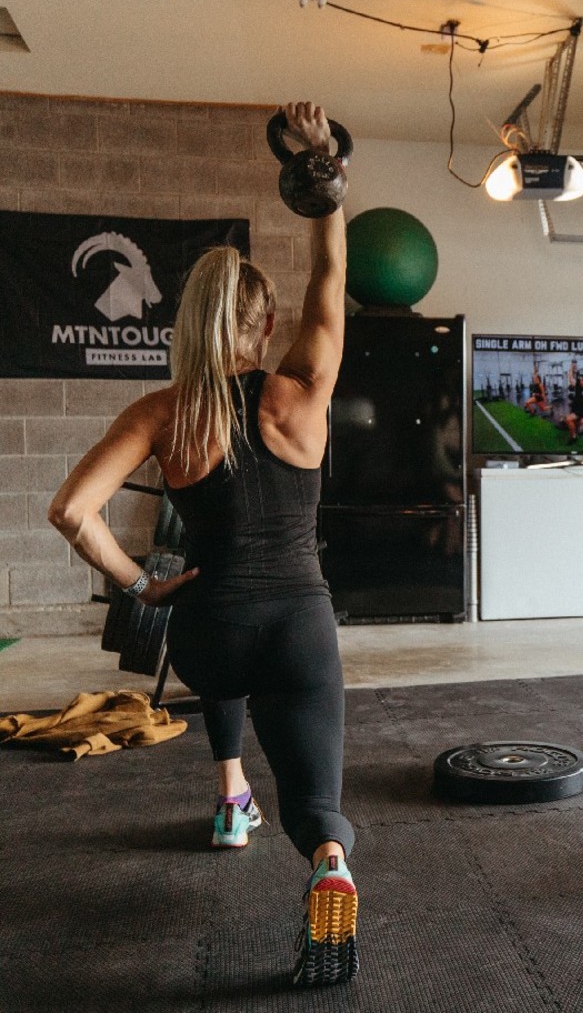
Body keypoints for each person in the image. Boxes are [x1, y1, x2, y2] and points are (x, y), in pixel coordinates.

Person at [48, 102, 360, 984]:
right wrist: (325, 175)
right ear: (264, 327)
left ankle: (230, 797)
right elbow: (332, 275)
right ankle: (329, 864)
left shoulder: (161, 412)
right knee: (316, 797)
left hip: (210, 631)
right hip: (303, 622)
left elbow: (72, 511)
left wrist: (141, 586)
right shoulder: (301, 390)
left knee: (212, 639)